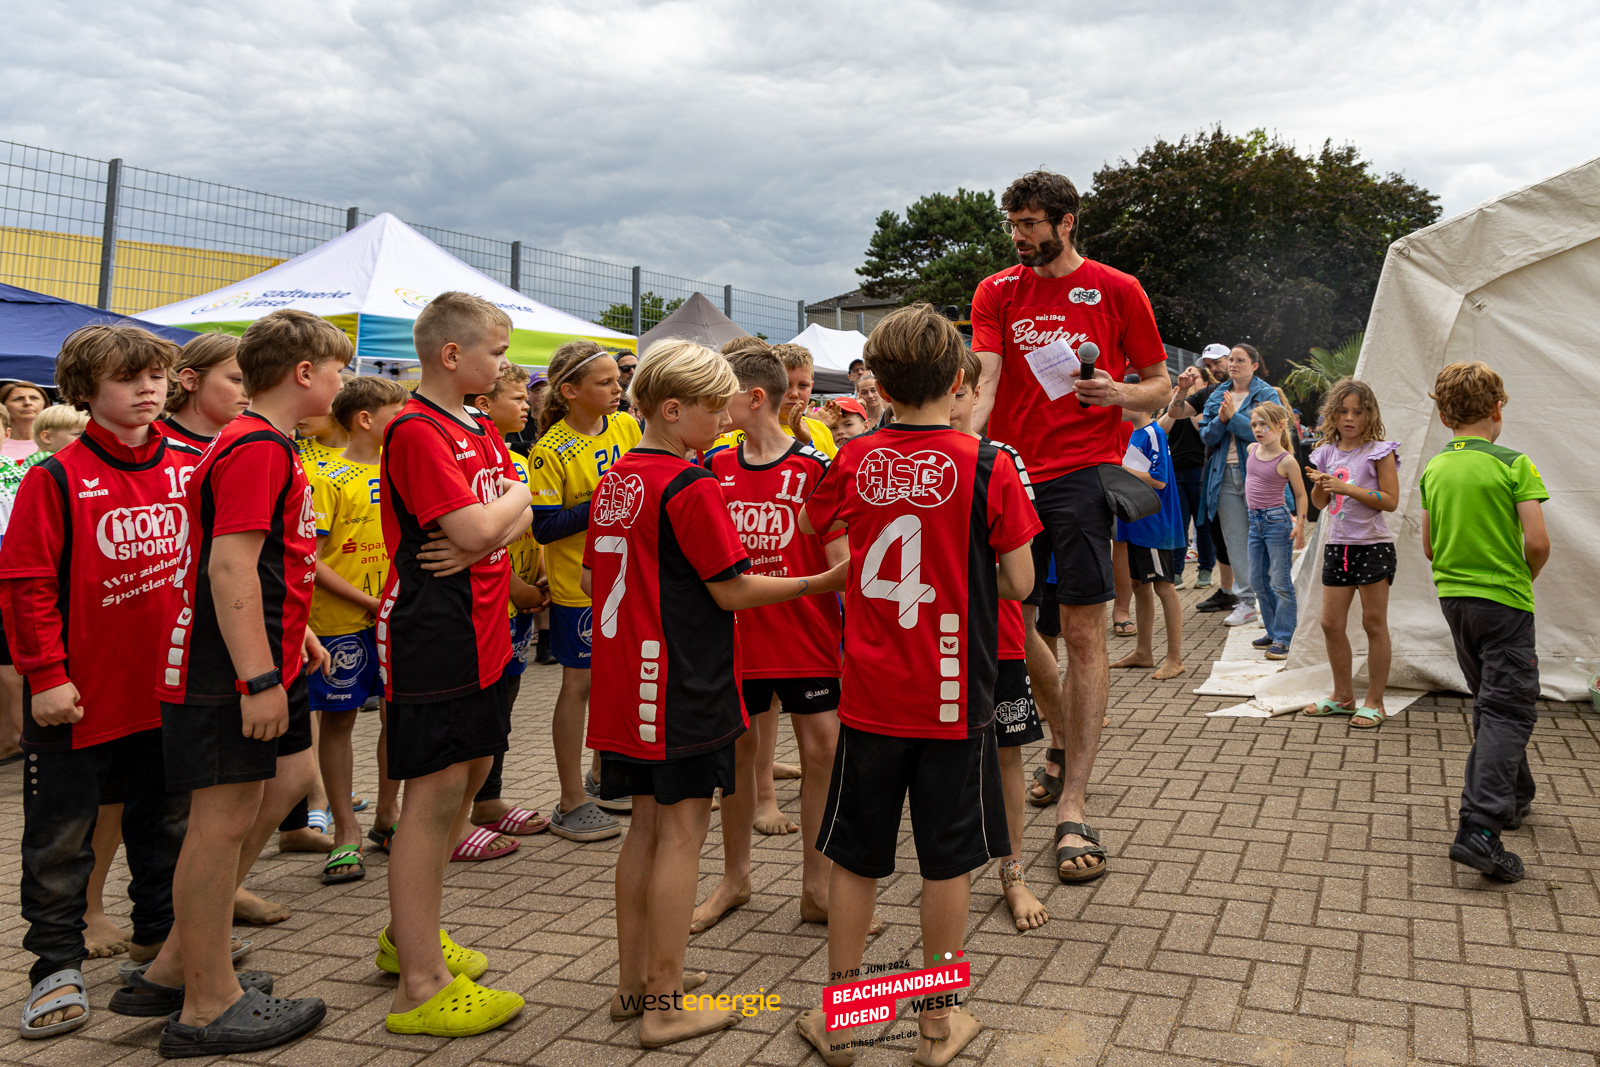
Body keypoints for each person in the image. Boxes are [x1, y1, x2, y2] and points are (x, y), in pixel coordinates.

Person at [584, 340, 844, 1049]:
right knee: (680, 833)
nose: (725, 420)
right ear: (673, 409)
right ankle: (665, 1002)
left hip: (623, 679)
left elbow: (587, 582)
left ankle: (634, 979)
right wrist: (819, 584)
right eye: (712, 407)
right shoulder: (687, 482)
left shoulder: (618, 477)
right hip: (679, 679)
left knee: (644, 826)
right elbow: (731, 588)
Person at [797, 305, 1038, 1066]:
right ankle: (935, 1025)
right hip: (951, 692)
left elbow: (818, 528)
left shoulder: (853, 455)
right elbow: (1020, 580)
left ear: (879, 382)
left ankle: (846, 1019)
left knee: (858, 858)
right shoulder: (989, 462)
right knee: (947, 861)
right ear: (960, 380)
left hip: (868, 693)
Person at [148, 308, 343, 1056]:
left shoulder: (264, 441)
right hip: (225, 666)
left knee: (289, 776)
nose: (342, 380)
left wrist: (299, 637)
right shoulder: (258, 446)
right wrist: (259, 673)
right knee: (218, 823)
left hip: (258, 652)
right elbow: (229, 563)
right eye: (335, 367)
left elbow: (264, 563)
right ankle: (206, 1002)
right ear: (303, 373)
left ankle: (178, 964)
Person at [0, 326, 203, 1040]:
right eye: (128, 378)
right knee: (60, 841)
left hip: (171, 692)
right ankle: (55, 965)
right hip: (76, 701)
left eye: (157, 374)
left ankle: (161, 945)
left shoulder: (192, 463)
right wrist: (45, 676)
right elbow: (25, 585)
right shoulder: (54, 476)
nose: (148, 388)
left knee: (168, 827)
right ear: (86, 392)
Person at [970, 168, 1170, 884]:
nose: (1019, 236)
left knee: (1084, 631)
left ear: (1067, 222)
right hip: (1012, 472)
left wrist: (1117, 392)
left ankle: (1073, 804)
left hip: (1084, 472)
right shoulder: (997, 290)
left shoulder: (1118, 289)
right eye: (1013, 224)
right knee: (1013, 622)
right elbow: (987, 375)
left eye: (1030, 223)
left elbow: (1159, 382)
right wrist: (963, 449)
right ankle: (1059, 742)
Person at [373, 292, 531, 1036]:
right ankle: (419, 983)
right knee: (432, 800)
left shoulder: (471, 423)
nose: (507, 369)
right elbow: (480, 518)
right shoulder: (416, 429)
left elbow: (511, 513)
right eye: (497, 355)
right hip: (435, 632)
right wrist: (494, 520)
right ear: (451, 355)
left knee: (466, 782)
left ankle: (412, 935)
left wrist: (495, 524)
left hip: (482, 628)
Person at [695, 347, 846, 934]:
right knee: (737, 759)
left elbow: (842, 563)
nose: (715, 403)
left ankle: (817, 886)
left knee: (822, 752)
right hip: (736, 640)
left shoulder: (814, 469)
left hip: (806, 639)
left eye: (722, 391)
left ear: (755, 397)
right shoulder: (713, 465)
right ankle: (735, 880)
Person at [1421, 362, 1549, 883]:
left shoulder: (1434, 468)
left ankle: (1515, 796)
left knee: (1492, 699)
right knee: (1509, 709)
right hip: (1505, 603)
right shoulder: (1514, 463)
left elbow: (1430, 547)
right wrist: (1522, 579)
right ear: (1497, 409)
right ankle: (1480, 827)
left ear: (1444, 413)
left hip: (1455, 602)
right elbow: (1537, 543)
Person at [948, 348, 1050, 933]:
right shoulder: (893, 453)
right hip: (927, 641)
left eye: (964, 393)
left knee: (1006, 754)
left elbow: (1020, 570)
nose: (957, 405)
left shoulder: (999, 459)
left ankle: (1012, 870)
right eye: (950, 392)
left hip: (997, 638)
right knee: (942, 761)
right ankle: (948, 871)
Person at [529, 340, 641, 841]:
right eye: (606, 382)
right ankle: (569, 799)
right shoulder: (550, 449)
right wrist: (606, 496)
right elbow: (545, 527)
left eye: (618, 380)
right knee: (579, 686)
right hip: (580, 587)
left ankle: (602, 778)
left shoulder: (626, 425)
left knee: (614, 680)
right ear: (570, 392)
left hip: (627, 576)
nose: (618, 389)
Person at [305, 375, 410, 885]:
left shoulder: (403, 470)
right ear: (365, 419)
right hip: (340, 622)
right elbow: (312, 560)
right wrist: (370, 599)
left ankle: (388, 817)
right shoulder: (325, 477)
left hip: (397, 619)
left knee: (399, 717)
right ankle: (344, 829)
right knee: (338, 722)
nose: (407, 419)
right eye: (398, 410)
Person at [465, 363, 551, 843]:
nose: (526, 406)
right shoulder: (468, 450)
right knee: (482, 705)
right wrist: (517, 585)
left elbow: (525, 514)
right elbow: (481, 529)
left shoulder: (513, 454)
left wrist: (534, 575)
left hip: (519, 598)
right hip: (493, 595)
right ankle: (464, 807)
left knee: (506, 700)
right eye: (517, 398)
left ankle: (489, 795)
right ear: (484, 405)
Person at [1303, 379, 1400, 727]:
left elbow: (1389, 501)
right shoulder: (1326, 452)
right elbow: (1320, 505)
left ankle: (1375, 702)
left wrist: (1347, 487)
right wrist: (1322, 484)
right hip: (1338, 547)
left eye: (1357, 412)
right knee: (1330, 623)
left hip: (1373, 547)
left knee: (1374, 623)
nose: (1349, 418)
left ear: (1369, 414)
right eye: (1343, 411)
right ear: (1332, 413)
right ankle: (1343, 697)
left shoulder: (1380, 451)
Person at [1198, 344, 1279, 627]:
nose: (1233, 364)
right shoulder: (1218, 394)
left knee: (1267, 537)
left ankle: (1273, 599)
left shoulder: (1266, 393)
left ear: (1255, 365)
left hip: (1260, 475)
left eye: (1240, 360)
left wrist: (1233, 417)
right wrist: (1221, 419)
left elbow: (1268, 434)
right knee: (1235, 541)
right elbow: (1207, 437)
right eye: (1230, 359)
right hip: (1223, 476)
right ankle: (1246, 602)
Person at [1111, 396, 1187, 680]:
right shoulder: (1137, 433)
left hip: (1154, 523)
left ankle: (1175, 658)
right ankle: (1143, 652)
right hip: (1136, 522)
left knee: (1163, 586)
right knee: (1139, 584)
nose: (1118, 406)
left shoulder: (1153, 433)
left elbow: (1159, 480)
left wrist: (1118, 468)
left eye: (1123, 400)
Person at [1243, 403, 1308, 659]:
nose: (1258, 430)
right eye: (1254, 425)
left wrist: (1300, 524)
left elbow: (1301, 495)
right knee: (1257, 580)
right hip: (1254, 523)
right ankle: (1272, 631)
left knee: (1281, 582)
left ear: (1281, 426)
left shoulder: (1287, 460)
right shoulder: (1251, 450)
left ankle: (1284, 638)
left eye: (1263, 425)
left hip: (1276, 522)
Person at [1160, 345, 1228, 590]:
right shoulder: (1180, 400)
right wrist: (1180, 393)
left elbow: (1204, 430)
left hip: (1201, 470)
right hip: (1176, 470)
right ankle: (1176, 571)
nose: (1189, 379)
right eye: (1186, 375)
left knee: (1203, 524)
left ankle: (1205, 570)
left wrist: (1196, 400)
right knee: (1179, 523)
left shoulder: (1207, 399)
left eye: (1195, 375)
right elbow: (1162, 428)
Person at [159, 332, 249, 447]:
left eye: (254, 383)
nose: (250, 391)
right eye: (237, 379)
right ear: (190, 380)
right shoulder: (143, 441)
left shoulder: (251, 445)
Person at [0, 381, 50, 462]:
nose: (28, 403)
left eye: (34, 398)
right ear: (3, 406)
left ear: (45, 404)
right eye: (18, 399)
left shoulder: (57, 440)